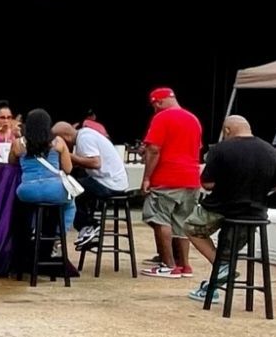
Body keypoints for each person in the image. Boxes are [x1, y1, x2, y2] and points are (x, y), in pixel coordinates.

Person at [180, 117, 276, 302]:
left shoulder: (221, 149)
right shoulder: (270, 150)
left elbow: (207, 183)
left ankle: (221, 267)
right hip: (254, 214)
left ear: (227, 130)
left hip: (221, 208)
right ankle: (219, 272)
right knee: (228, 248)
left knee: (190, 226)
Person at [139, 87, 203, 279]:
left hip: (168, 178)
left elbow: (154, 150)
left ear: (158, 102)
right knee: (181, 222)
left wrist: (147, 177)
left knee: (159, 218)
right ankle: (184, 265)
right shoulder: (193, 119)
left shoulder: (162, 118)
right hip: (191, 178)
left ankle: (168, 265)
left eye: (154, 105)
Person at [14, 108, 76, 251]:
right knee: (71, 204)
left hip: (26, 191)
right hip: (54, 190)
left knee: (31, 207)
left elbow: (12, 161)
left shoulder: (18, 144)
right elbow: (68, 169)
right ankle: (58, 237)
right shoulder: (58, 142)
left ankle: (33, 229)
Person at [67, 110, 128, 246]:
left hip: (110, 183)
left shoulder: (84, 137)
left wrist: (69, 156)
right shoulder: (84, 135)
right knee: (77, 185)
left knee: (72, 188)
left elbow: (95, 163)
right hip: (109, 180)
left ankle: (88, 226)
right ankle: (87, 225)